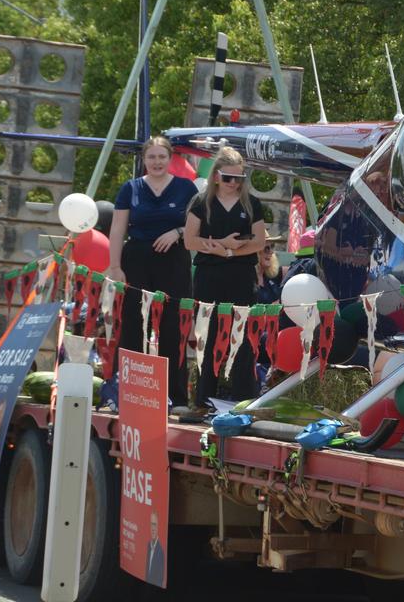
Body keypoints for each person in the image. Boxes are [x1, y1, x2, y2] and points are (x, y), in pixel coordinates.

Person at [107, 136, 198, 410]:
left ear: (170, 159)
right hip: (137, 259)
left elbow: (197, 227)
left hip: (174, 261)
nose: (156, 162)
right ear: (144, 160)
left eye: (161, 157)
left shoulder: (185, 188)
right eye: (151, 157)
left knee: (173, 327)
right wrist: (115, 266)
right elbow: (117, 229)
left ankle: (177, 396)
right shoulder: (130, 188)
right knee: (133, 325)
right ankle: (127, 390)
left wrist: (177, 232)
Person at [184, 146, 267, 404]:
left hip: (241, 277)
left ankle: (244, 400)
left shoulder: (252, 204)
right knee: (208, 340)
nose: (234, 183)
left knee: (242, 341)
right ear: (217, 176)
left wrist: (230, 252)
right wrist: (220, 245)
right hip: (209, 277)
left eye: (239, 178)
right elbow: (189, 241)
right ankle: (204, 399)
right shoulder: (201, 202)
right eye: (228, 177)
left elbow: (259, 243)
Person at [254, 230, 284, 305]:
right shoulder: (246, 279)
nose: (271, 252)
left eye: (272, 246)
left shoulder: (271, 277)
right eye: (267, 248)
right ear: (255, 251)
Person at [145, 510, 166, 586]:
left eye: (154, 524)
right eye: (151, 524)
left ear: (158, 526)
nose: (153, 528)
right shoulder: (148, 546)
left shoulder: (161, 552)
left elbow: (160, 580)